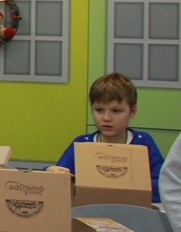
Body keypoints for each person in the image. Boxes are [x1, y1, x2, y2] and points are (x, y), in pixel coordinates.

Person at [50, 72, 164, 201]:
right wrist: (52, 172)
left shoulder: (144, 143)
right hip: (91, 209)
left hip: (131, 210)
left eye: (116, 111)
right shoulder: (82, 144)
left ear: (132, 112)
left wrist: (121, 186)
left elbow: (163, 185)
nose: (106, 118)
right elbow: (57, 178)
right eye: (99, 110)